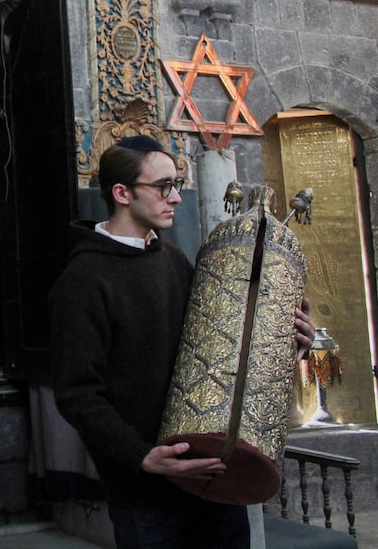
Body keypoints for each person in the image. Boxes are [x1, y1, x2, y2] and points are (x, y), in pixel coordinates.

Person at [49, 135, 315, 549]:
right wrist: (140, 455)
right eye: (163, 187)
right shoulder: (83, 280)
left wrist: (286, 341)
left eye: (175, 185)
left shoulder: (172, 259)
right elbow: (77, 393)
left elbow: (215, 348)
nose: (175, 197)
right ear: (122, 193)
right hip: (146, 493)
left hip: (214, 473)